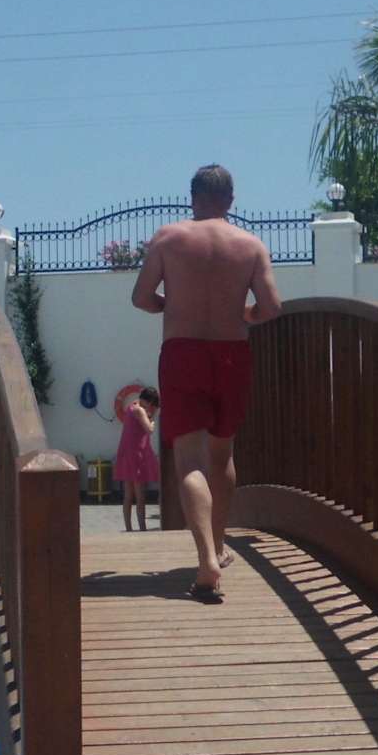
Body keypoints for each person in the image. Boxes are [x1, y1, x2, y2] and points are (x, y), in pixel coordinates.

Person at [131, 163, 285, 601]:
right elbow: (271, 307)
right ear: (231, 201)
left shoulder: (169, 238)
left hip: (183, 353)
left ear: (192, 197)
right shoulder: (250, 245)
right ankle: (218, 545)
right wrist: (244, 314)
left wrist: (170, 305)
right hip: (232, 353)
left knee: (190, 461)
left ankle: (206, 562)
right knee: (222, 453)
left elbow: (141, 298)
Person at [115, 387, 161, 532]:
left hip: (126, 454)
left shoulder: (132, 406)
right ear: (149, 401)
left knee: (128, 495)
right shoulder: (140, 411)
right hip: (137, 456)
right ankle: (142, 528)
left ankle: (128, 528)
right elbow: (149, 430)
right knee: (140, 496)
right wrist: (152, 420)